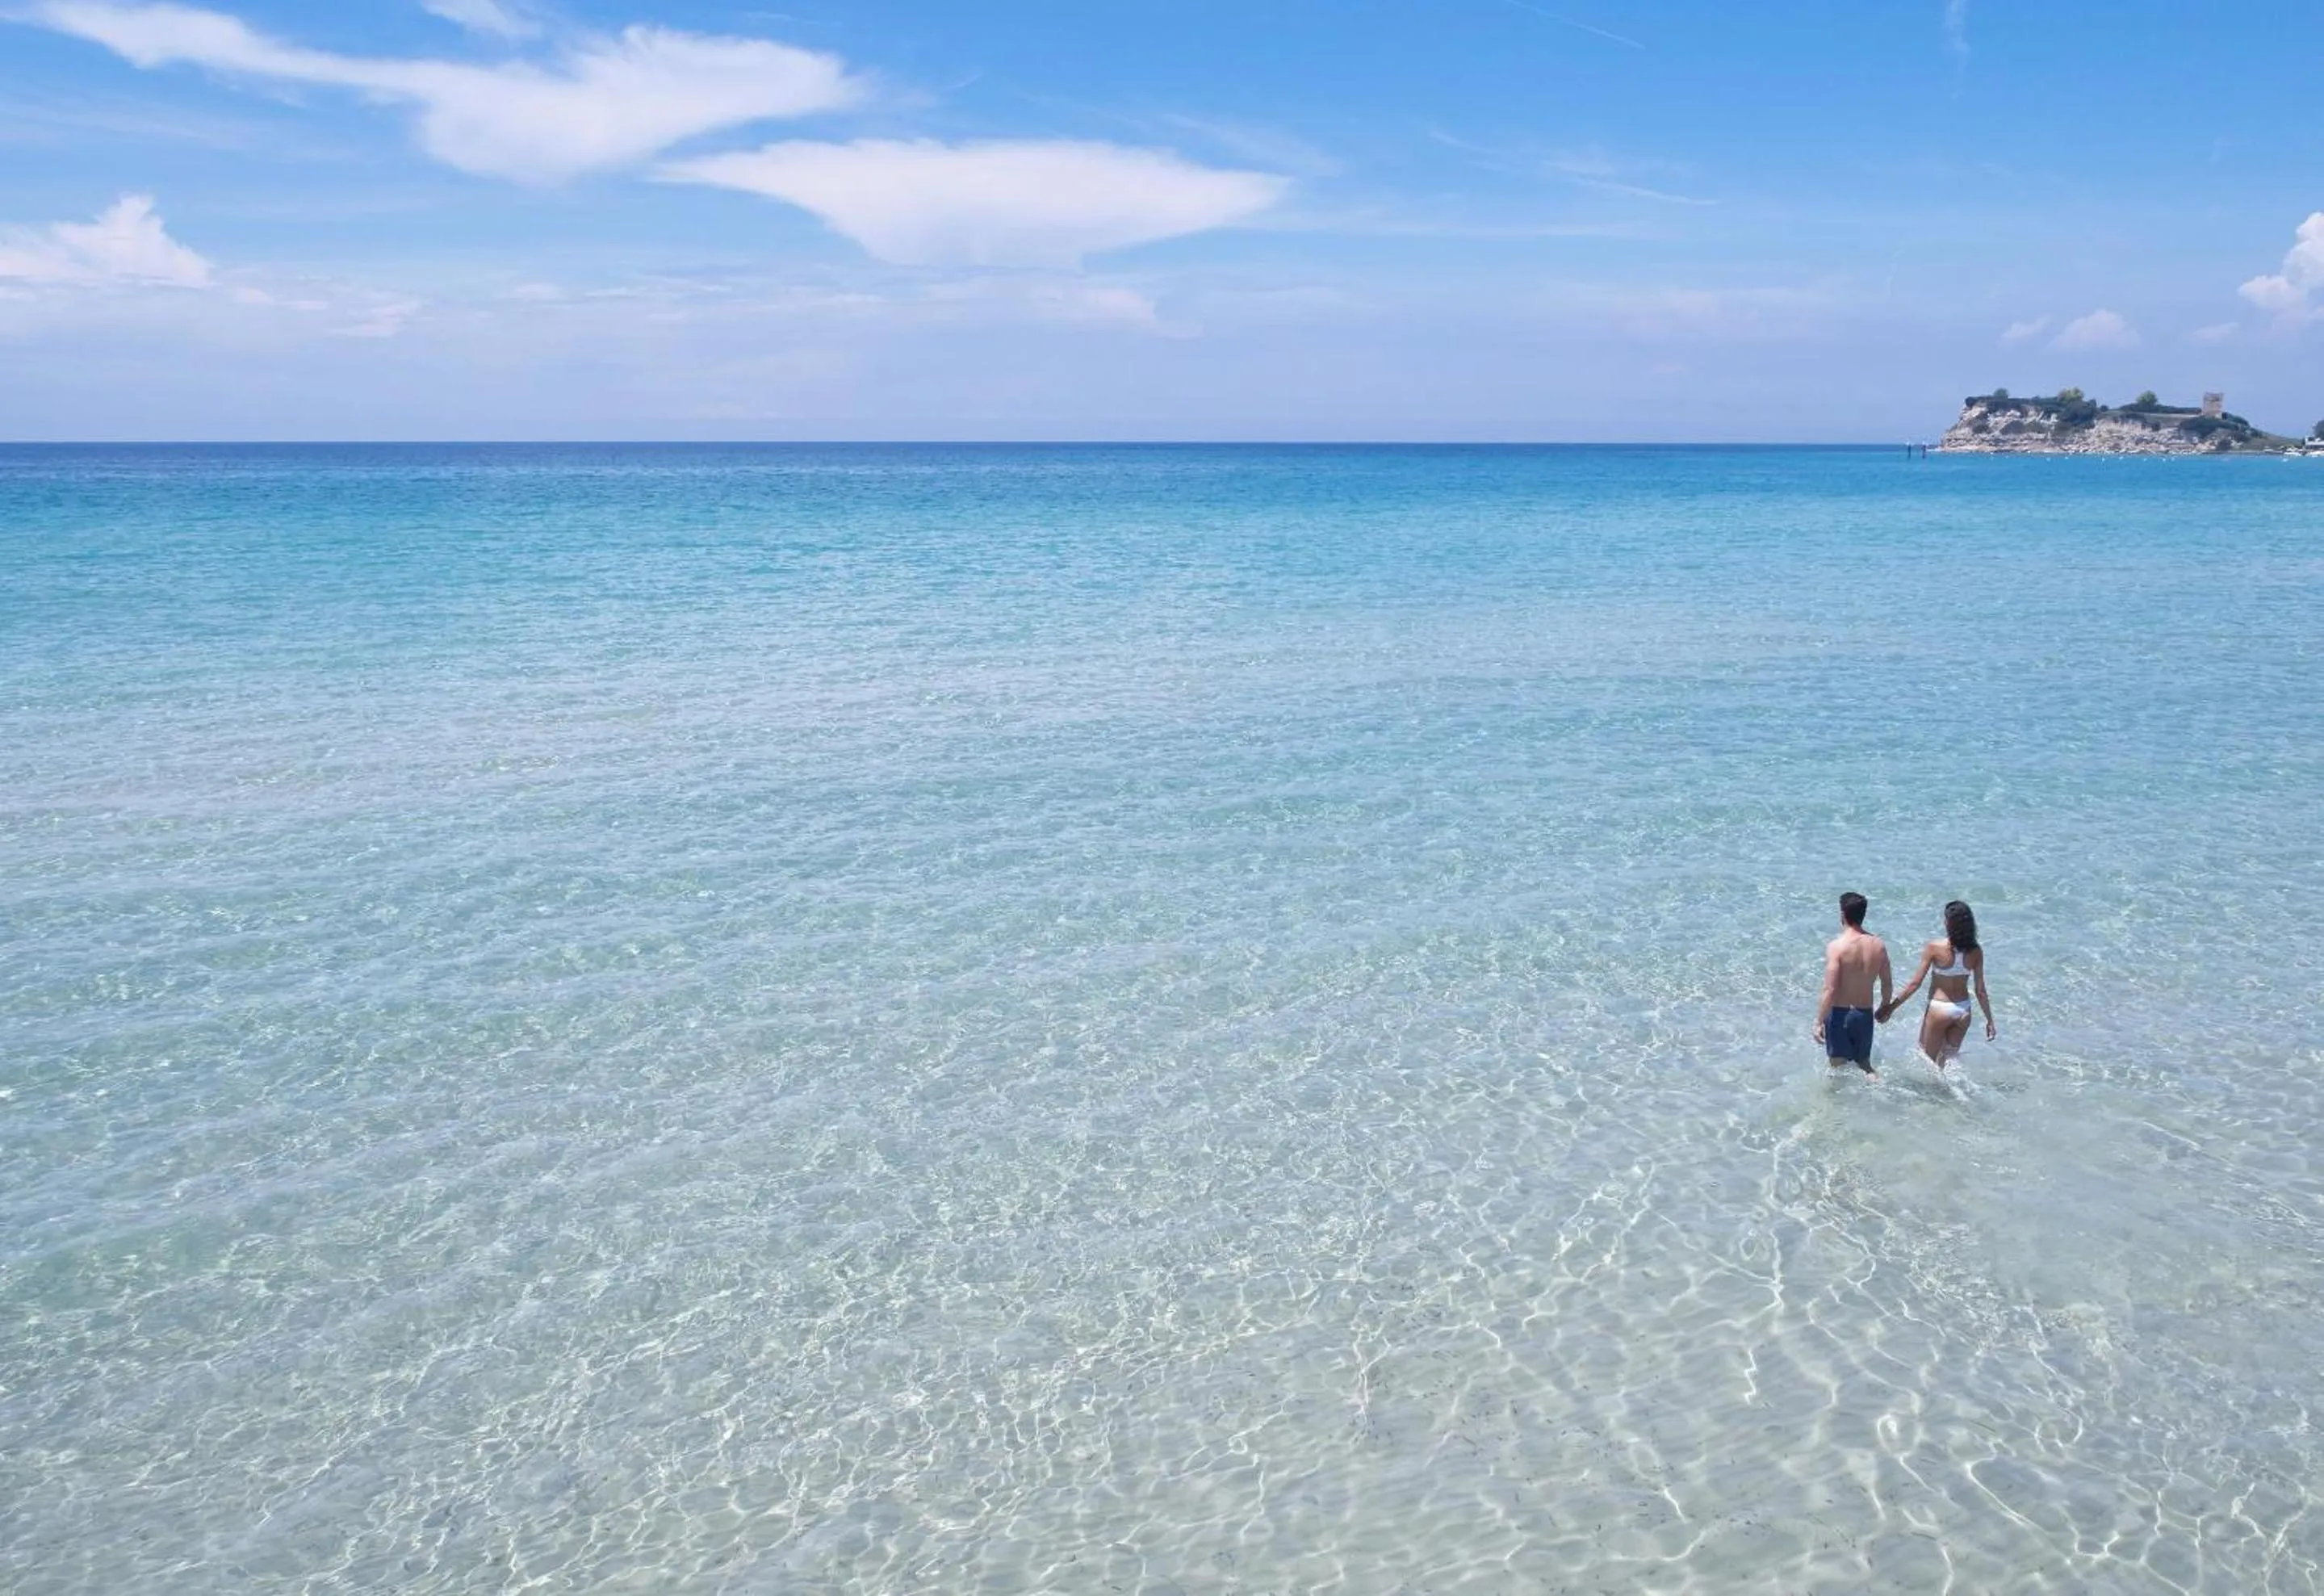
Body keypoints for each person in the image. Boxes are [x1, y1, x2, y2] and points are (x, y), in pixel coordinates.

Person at [1881, 899, 1995, 1069]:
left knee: (1927, 1063)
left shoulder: (1934, 947)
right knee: (1946, 1064)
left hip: (1939, 1009)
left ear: (1949, 923)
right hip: (1963, 1011)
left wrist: (1891, 1007)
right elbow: (1980, 991)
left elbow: (1915, 984)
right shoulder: (1976, 951)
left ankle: (1927, 1094)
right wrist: (1990, 1020)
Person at [1815, 891, 1892, 1076]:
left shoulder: (1837, 947)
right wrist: (1884, 1007)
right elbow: (1887, 984)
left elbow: (1830, 989)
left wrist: (1818, 1021)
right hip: (1864, 1015)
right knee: (1865, 1067)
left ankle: (1834, 1105)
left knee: (1838, 1071)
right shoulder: (1878, 945)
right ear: (1863, 914)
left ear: (1843, 914)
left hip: (1840, 1016)